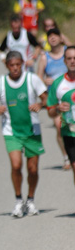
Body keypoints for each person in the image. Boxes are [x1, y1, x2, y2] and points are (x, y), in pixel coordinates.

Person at [0, 50, 47, 217]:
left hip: (32, 130)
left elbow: (45, 96)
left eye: (18, 64)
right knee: (16, 165)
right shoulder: (0, 82)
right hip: (11, 131)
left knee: (33, 169)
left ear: (22, 63)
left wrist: (40, 105)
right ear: (7, 65)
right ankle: (18, 200)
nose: (15, 68)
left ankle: (30, 200)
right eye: (11, 65)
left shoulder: (32, 79)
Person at [37, 28, 71, 170]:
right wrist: (45, 81)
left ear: (60, 37)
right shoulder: (45, 58)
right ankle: (66, 157)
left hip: (72, 96)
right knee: (59, 128)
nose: (52, 38)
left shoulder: (68, 54)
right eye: (49, 36)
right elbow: (37, 78)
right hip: (55, 99)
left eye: (55, 36)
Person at [47, 46, 75, 187]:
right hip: (69, 132)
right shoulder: (58, 84)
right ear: (64, 61)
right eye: (69, 58)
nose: (72, 61)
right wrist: (57, 108)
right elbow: (50, 112)